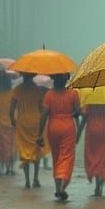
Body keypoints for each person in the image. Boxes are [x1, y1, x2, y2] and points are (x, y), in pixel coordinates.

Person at [38, 73, 83, 201]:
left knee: (56, 156)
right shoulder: (74, 93)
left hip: (53, 127)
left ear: (53, 79)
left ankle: (58, 188)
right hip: (68, 126)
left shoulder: (49, 95)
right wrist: (72, 113)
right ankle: (62, 186)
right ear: (67, 79)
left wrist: (39, 134)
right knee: (67, 156)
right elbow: (78, 112)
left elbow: (44, 115)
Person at [80, 85, 105, 197]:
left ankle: (96, 179)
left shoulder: (90, 93)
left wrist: (78, 133)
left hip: (92, 127)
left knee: (93, 154)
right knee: (104, 156)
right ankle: (100, 183)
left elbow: (84, 116)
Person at [10, 73, 45, 188]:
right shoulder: (37, 90)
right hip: (36, 122)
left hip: (22, 123)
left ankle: (27, 181)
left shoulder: (17, 90)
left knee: (24, 151)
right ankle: (35, 178)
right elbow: (41, 108)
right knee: (36, 149)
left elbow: (11, 110)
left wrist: (14, 123)